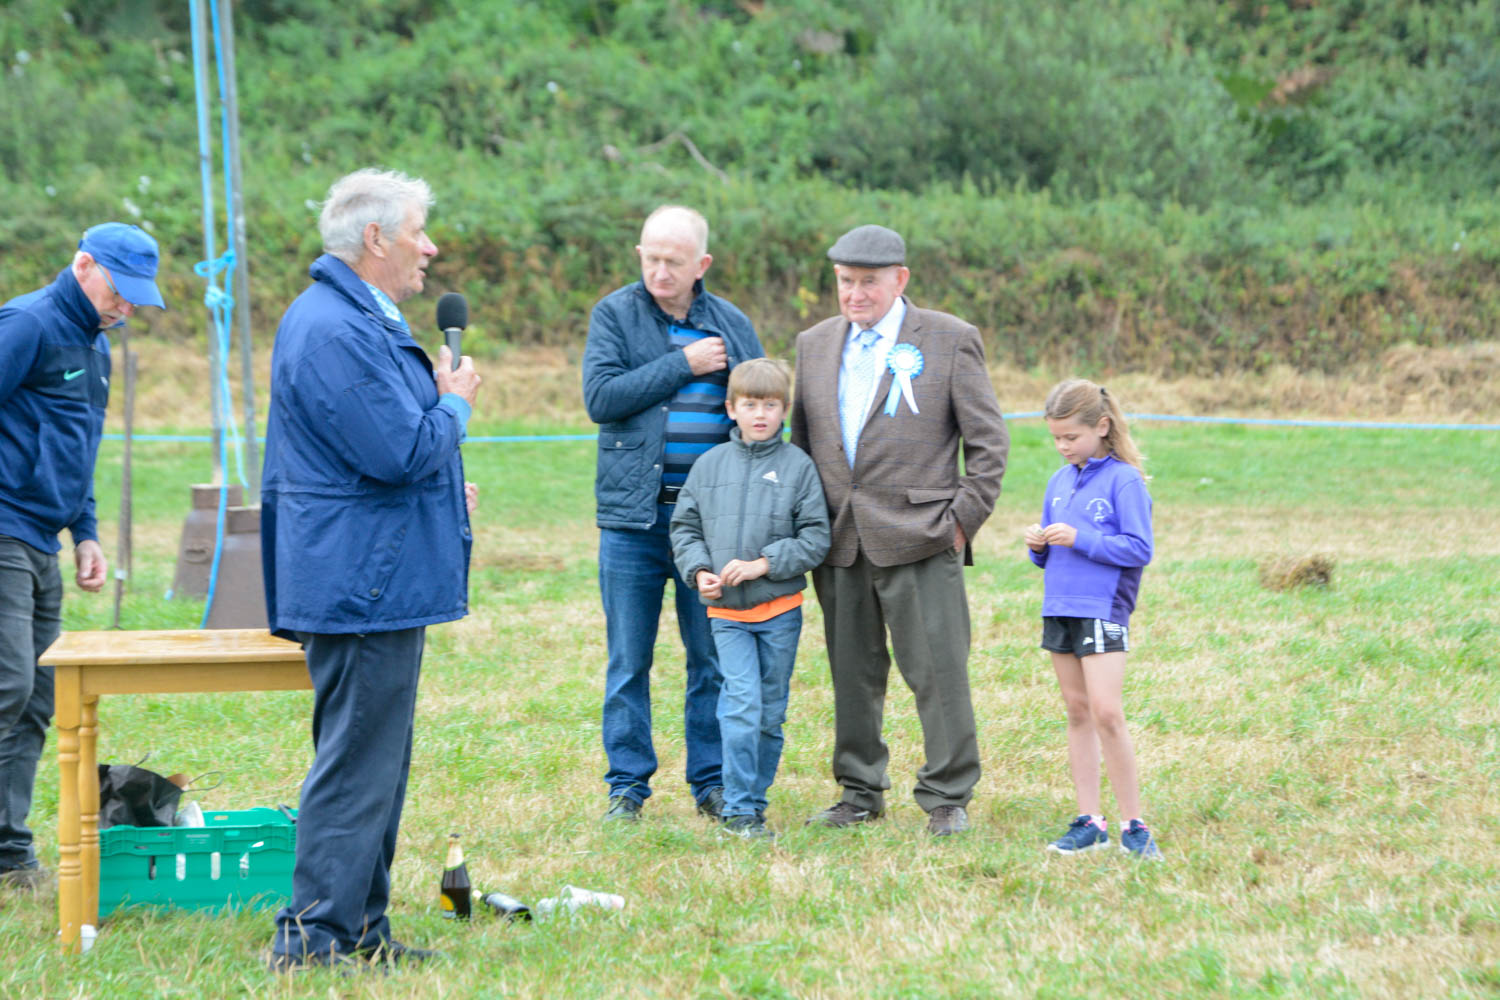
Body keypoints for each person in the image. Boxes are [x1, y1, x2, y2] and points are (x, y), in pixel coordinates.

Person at [261, 168, 482, 970]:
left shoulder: (355, 317)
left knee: (376, 763)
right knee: (356, 764)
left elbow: (382, 451)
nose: (431, 248)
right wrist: (455, 404)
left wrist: (445, 475)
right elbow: (399, 451)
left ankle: (360, 930)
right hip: (360, 581)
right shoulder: (335, 330)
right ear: (376, 237)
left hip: (374, 574)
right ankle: (310, 939)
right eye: (419, 231)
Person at [790, 224, 1008, 837]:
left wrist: (960, 521)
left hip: (923, 534)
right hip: (839, 541)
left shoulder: (949, 339)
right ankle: (859, 791)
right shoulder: (813, 344)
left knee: (939, 673)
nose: (855, 294)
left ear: (900, 279)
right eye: (845, 282)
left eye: (868, 282)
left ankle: (947, 796)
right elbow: (802, 445)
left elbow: (988, 444)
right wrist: (808, 526)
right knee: (852, 675)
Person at [582, 205, 763, 823]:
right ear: (640, 254)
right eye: (651, 258)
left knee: (710, 660)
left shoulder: (733, 325)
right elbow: (601, 399)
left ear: (701, 265)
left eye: (674, 262)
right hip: (631, 522)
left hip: (710, 530)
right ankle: (626, 788)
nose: (660, 271)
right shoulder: (613, 315)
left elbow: (762, 409)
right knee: (627, 661)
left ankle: (711, 783)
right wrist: (683, 365)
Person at [0, 223, 165, 890]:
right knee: (8, 684)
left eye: (136, 298)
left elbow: (77, 446)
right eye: (118, 291)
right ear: (84, 264)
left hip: (43, 539)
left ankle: (10, 856)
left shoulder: (97, 347)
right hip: (4, 529)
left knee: (38, 699)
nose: (125, 307)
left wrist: (86, 530)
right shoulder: (28, 325)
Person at [669, 359, 830, 839]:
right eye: (751, 405)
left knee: (769, 714)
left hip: (780, 613)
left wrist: (765, 564)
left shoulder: (799, 467)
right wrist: (699, 571)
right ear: (731, 408)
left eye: (771, 405)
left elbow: (816, 537)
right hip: (727, 616)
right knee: (740, 705)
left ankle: (754, 802)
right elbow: (685, 528)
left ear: (785, 410)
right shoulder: (709, 466)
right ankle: (738, 810)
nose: (760, 414)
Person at [1025, 379, 1162, 860]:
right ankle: (1090, 822)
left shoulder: (1124, 480)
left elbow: (1139, 548)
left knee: (1107, 712)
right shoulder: (1058, 482)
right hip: (1059, 607)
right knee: (1078, 711)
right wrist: (1038, 546)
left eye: (1071, 437)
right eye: (1055, 438)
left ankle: (1134, 825)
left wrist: (1080, 538)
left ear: (1101, 427)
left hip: (1102, 608)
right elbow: (1050, 556)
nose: (1062, 447)